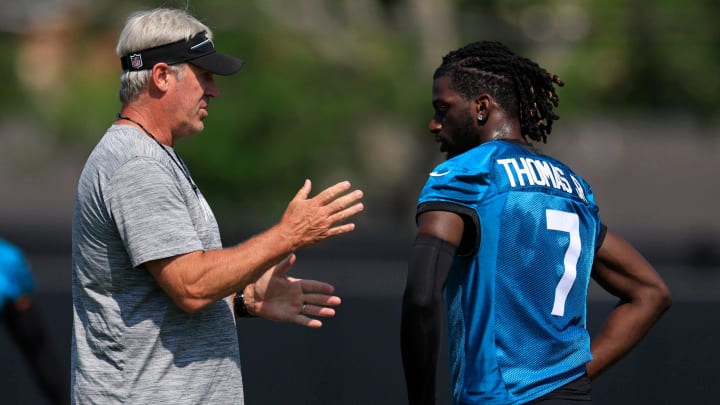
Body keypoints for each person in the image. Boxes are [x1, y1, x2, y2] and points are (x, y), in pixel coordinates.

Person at [71, 8, 364, 404]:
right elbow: (190, 286)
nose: (213, 90)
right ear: (160, 77)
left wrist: (243, 301)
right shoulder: (137, 164)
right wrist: (289, 234)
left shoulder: (150, 154)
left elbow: (162, 295)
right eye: (203, 75)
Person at [400, 41, 672, 405]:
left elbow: (420, 299)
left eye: (442, 109)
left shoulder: (466, 175)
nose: (434, 124)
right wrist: (571, 375)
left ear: (481, 107)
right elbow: (651, 292)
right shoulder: (573, 188)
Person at [0, 238, 69, 404]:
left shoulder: (7, 254)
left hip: (14, 304)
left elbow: (16, 266)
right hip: (14, 301)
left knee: (40, 353)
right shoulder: (8, 254)